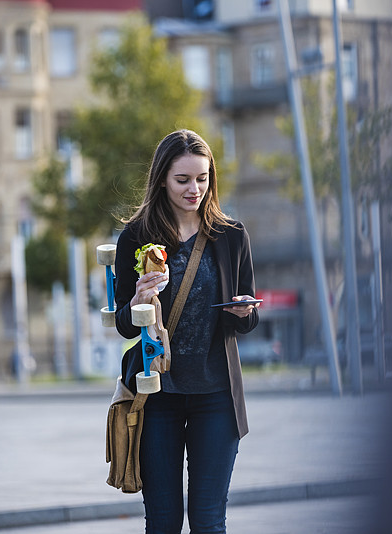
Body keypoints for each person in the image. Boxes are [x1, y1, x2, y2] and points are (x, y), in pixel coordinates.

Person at [113, 129, 260, 533]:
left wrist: (243, 311)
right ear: (162, 178)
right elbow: (124, 322)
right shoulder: (136, 238)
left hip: (217, 396)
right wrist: (140, 300)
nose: (194, 189)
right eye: (183, 180)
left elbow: (247, 319)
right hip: (158, 395)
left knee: (209, 521)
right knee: (163, 523)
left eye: (203, 178)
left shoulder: (231, 236)